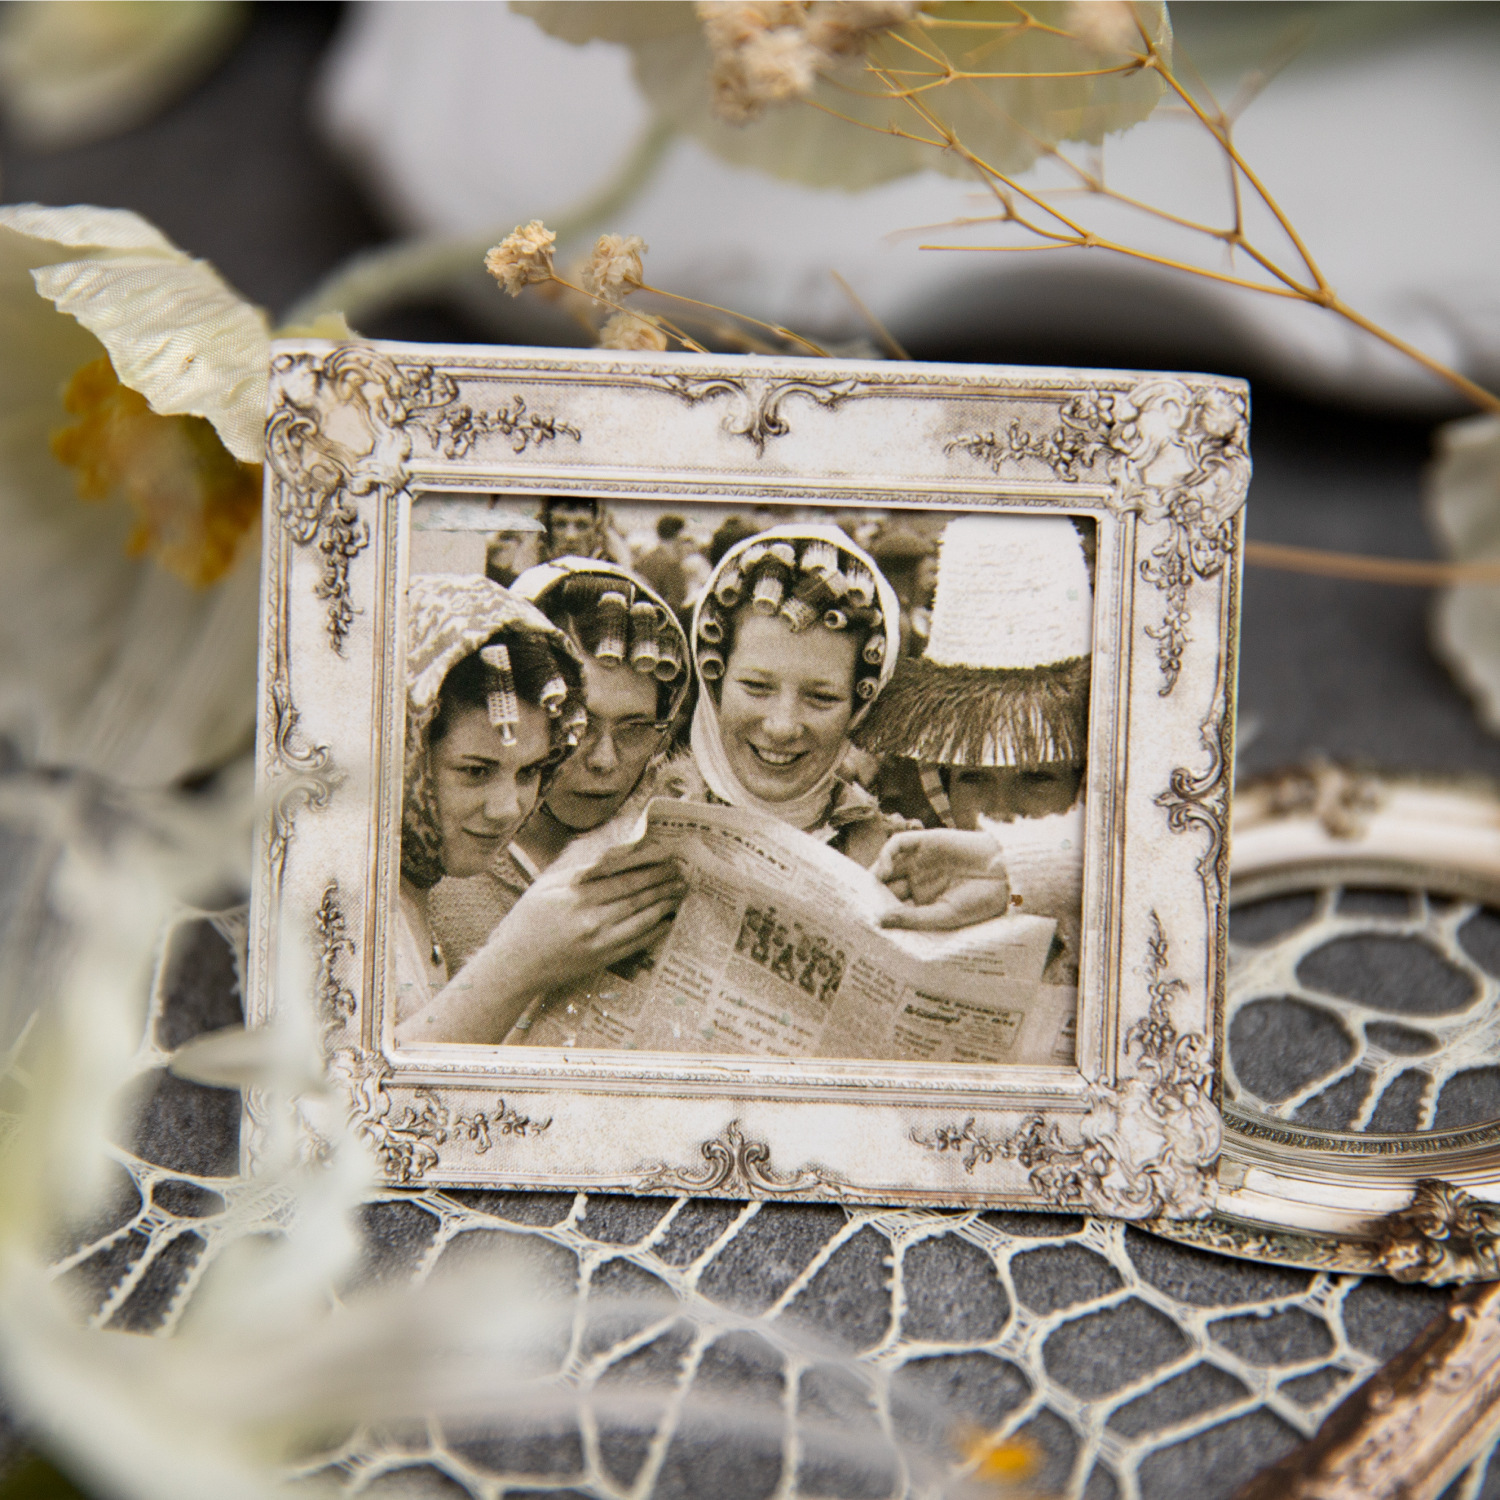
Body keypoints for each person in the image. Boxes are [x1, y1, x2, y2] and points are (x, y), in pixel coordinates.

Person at [427, 559, 698, 975]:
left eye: (635, 729)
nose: (604, 760)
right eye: (580, 723)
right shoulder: (440, 865)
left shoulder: (674, 862)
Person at [854, 514, 1092, 965]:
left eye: (1037, 778)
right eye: (974, 778)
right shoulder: (917, 895)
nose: (999, 811)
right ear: (941, 784)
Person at [687, 524, 910, 865]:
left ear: (860, 708)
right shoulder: (625, 837)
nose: (782, 727)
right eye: (757, 687)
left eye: (821, 698)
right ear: (713, 686)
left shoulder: (896, 862)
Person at [633, 514, 692, 612]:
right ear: (678, 537)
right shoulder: (673, 566)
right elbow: (675, 606)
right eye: (685, 541)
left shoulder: (643, 560)